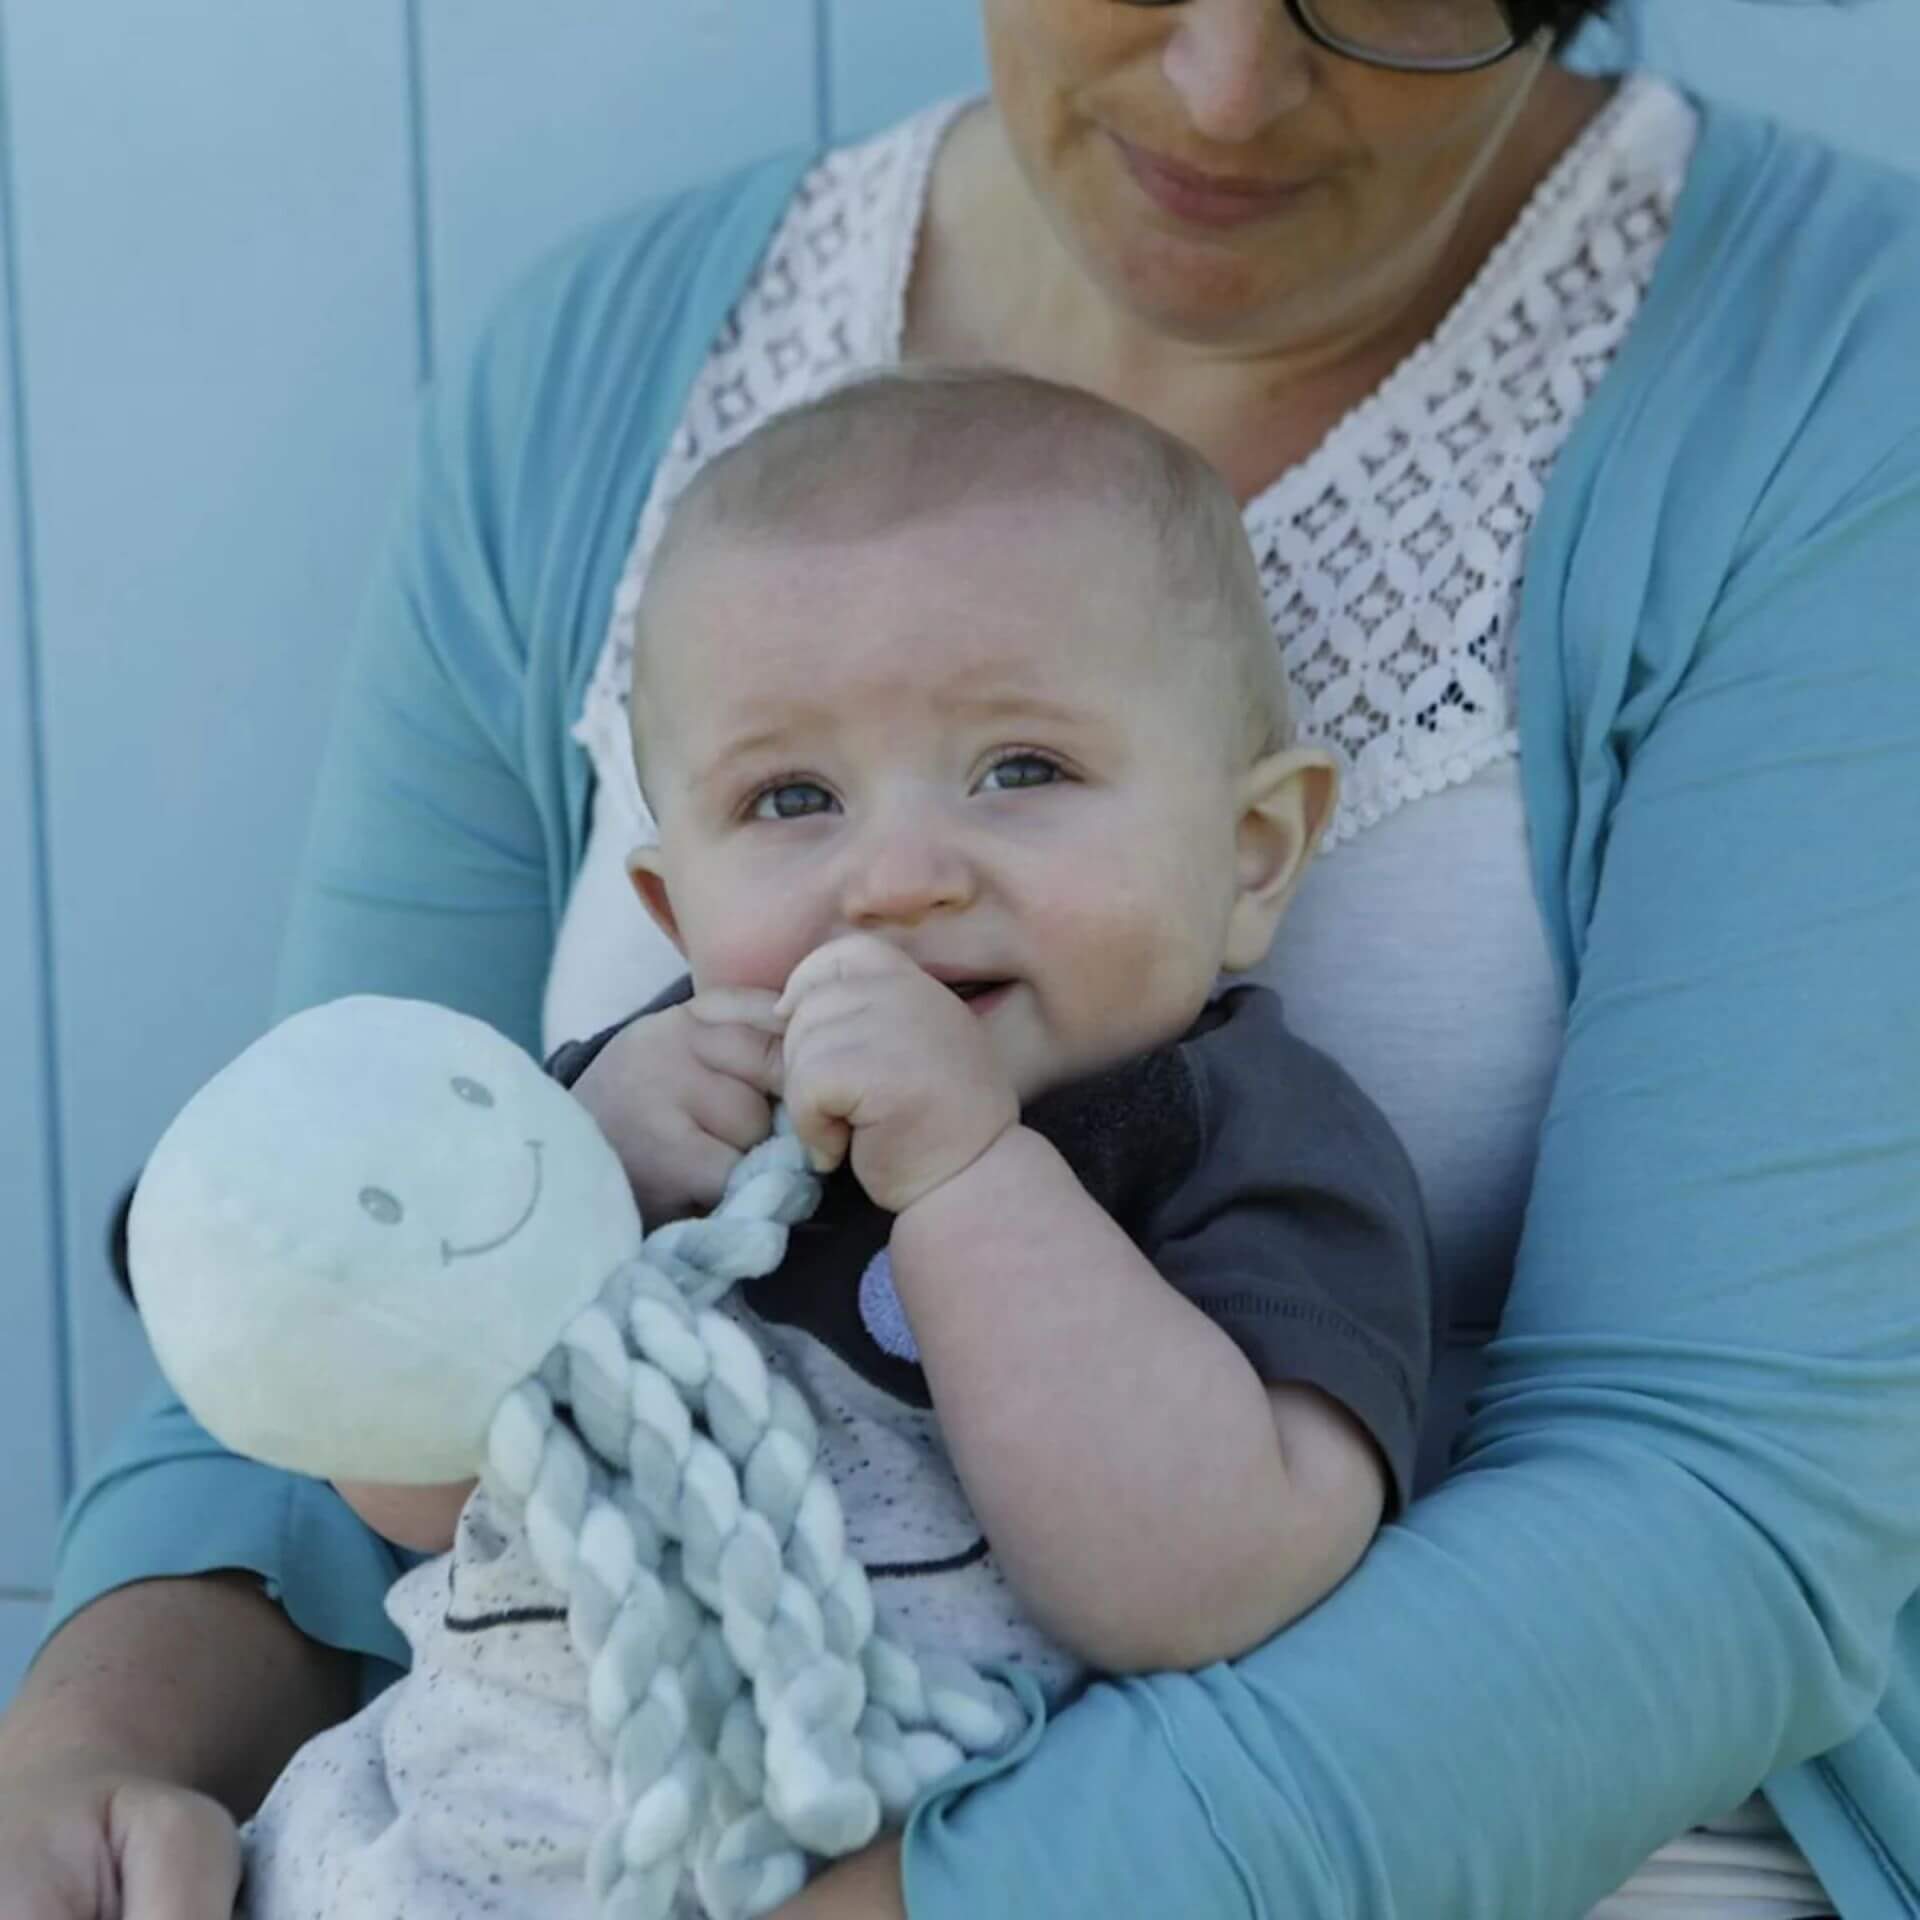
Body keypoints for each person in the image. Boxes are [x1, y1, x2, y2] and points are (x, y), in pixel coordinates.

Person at [3, 0, 1915, 1915]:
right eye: (788, 804)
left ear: (1264, 850)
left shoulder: (1836, 386)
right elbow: (334, 1296)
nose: (1228, 81)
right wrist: (91, 1760)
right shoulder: (591, 385)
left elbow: (1715, 1511)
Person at [232, 366, 1433, 1918]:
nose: (899, 878)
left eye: (1023, 770)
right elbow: (399, 1492)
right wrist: (565, 1204)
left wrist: (969, 1179)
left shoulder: (1233, 1136)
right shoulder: (625, 1110)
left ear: (1252, 855)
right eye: (793, 797)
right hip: (443, 1838)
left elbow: (1205, 1583)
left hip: (905, 1858)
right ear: (675, 907)